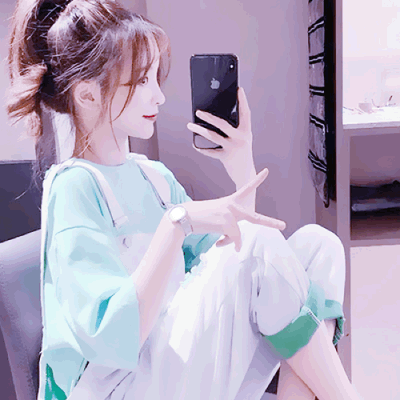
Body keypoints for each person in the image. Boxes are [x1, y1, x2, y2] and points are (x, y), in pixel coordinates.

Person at [6, 0, 362, 399]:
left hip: (169, 369)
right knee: (264, 247)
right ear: (87, 95)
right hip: (117, 385)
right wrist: (176, 223)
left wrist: (242, 164)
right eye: (141, 81)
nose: (158, 96)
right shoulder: (73, 186)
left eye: (156, 78)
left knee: (319, 246)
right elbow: (110, 340)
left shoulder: (153, 177)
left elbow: (245, 262)